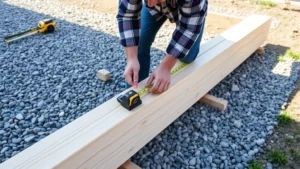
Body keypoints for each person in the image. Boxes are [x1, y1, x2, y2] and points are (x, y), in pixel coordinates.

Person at [117, 0, 207, 94]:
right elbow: (127, 15)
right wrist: (131, 58)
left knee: (187, 58)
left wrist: (166, 67)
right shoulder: (151, 3)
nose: (149, 4)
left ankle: (199, 17)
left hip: (190, 12)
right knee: (140, 41)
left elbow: (189, 30)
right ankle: (135, 91)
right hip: (156, 10)